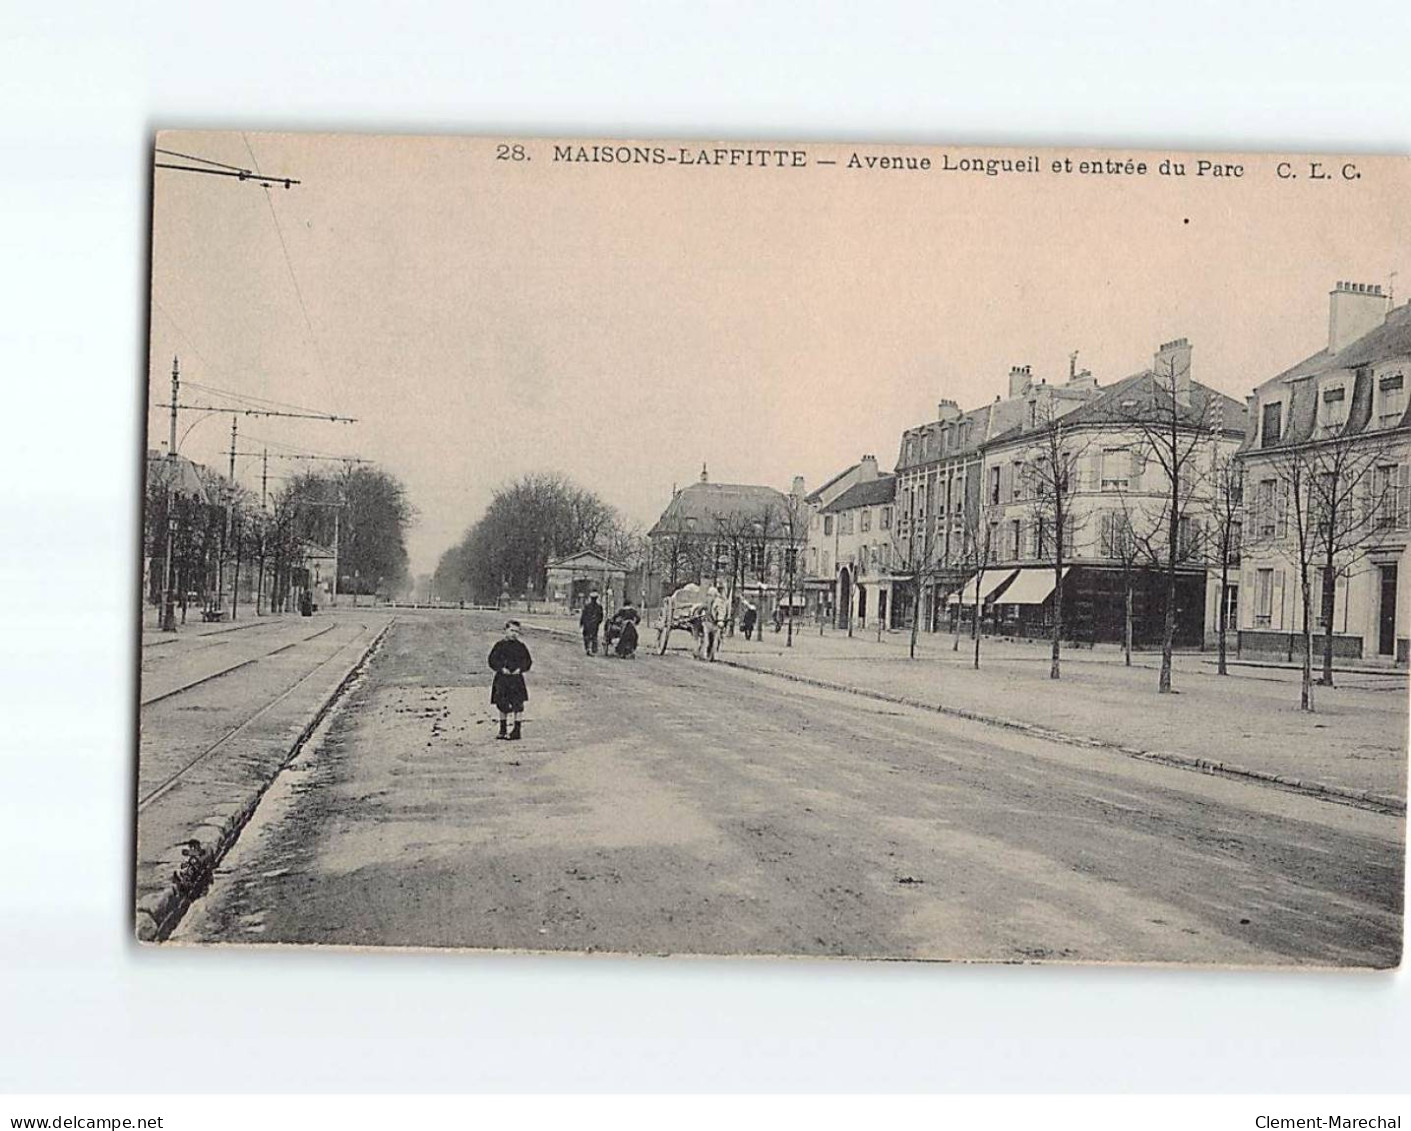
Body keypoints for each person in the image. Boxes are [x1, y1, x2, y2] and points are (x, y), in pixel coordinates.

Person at [488, 620, 533, 740]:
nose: (514, 634)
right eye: (512, 630)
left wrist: (520, 669)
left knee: (518, 704)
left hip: (516, 679)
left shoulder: (521, 647)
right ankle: (503, 729)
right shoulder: (499, 646)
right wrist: (501, 669)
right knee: (502, 703)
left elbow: (527, 661)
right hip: (502, 679)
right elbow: (492, 660)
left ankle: (516, 730)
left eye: (517, 632)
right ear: (506, 631)